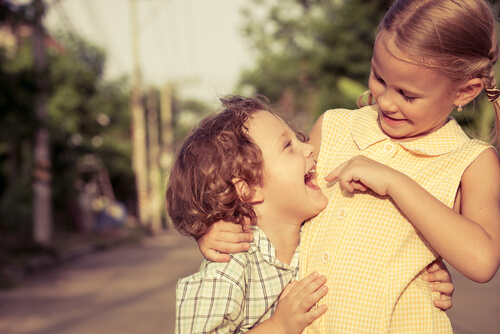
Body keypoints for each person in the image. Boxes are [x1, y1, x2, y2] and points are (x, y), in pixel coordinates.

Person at [197, 0, 500, 332]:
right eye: (378, 78)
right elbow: (274, 202)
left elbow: (482, 261)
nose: (386, 101)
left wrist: (394, 182)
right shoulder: (335, 127)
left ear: (464, 91)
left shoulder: (471, 161)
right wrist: (220, 232)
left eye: (408, 95)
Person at [167, 95, 330, 334]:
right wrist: (277, 327)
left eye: (300, 139)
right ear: (248, 189)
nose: (310, 148)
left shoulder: (317, 234)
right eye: (288, 146)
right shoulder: (229, 269)